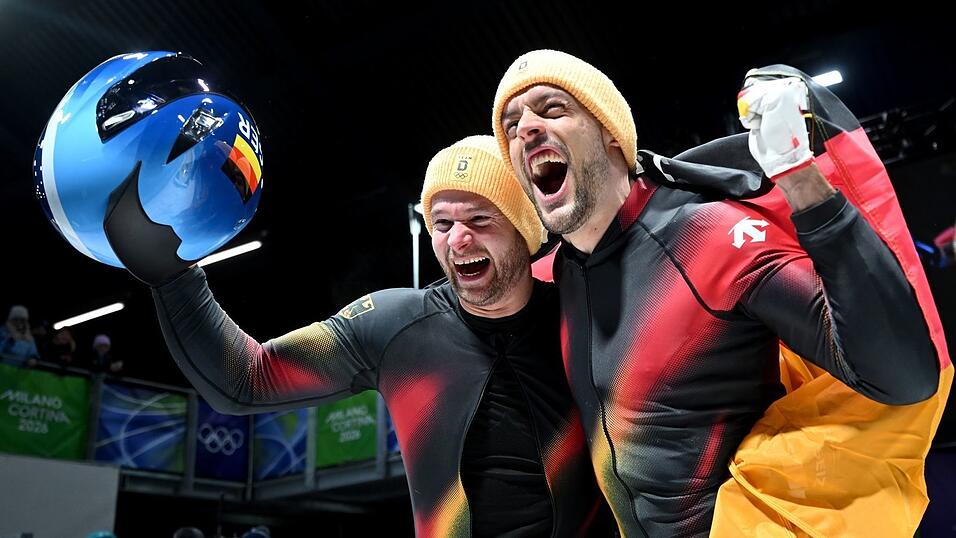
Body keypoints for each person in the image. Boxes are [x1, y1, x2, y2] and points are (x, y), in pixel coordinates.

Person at [492, 50, 948, 536]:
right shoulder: (548, 282)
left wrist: (799, 177)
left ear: (610, 132)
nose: (526, 128)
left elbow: (903, 380)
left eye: (553, 109)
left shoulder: (707, 235)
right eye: (512, 122)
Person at [102, 135, 610, 537]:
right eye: (441, 222)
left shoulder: (581, 302)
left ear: (524, 227)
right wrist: (172, 277)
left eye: (480, 219)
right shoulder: (397, 326)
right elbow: (247, 379)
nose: (458, 239)